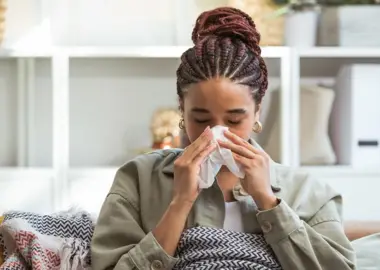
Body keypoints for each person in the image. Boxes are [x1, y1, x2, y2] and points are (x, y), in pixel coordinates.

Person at [91, 7, 356, 270]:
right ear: (181, 110)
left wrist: (268, 201)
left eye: (234, 120)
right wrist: (180, 203)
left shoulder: (309, 193)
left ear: (256, 112)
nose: (217, 135)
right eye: (201, 119)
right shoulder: (138, 180)